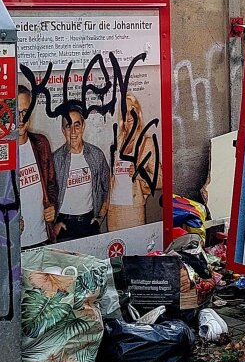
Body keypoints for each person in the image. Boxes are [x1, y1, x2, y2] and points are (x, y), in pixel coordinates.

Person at [52, 103, 110, 241]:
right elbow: (46, 194)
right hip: (64, 227)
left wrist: (100, 216)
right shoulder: (55, 159)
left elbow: (107, 185)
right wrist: (53, 225)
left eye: (77, 125)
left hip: (89, 224)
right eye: (68, 126)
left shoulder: (96, 155)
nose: (73, 132)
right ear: (62, 130)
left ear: (83, 126)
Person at [108, 94, 158, 230]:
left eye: (132, 111)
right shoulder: (117, 142)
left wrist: (141, 173)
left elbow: (161, 179)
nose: (129, 116)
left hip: (133, 209)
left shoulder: (146, 143)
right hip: (113, 208)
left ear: (138, 112)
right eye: (125, 111)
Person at [17, 86, 58, 248]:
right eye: (16, 112)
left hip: (43, 238)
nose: (21, 118)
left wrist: (52, 206)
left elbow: (52, 184)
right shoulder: (1, 153)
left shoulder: (41, 144)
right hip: (15, 245)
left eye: (25, 111)